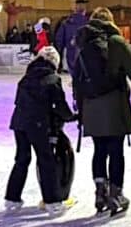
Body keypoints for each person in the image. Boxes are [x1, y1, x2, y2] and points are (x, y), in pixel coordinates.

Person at [71, 7, 131, 216]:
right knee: (116, 151)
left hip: (92, 105)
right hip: (115, 103)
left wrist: (79, 107)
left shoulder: (83, 45)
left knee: (99, 150)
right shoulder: (116, 42)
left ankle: (100, 192)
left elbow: (77, 80)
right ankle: (116, 193)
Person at [5, 46, 77, 215]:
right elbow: (59, 105)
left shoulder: (26, 78)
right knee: (46, 161)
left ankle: (12, 199)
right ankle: (53, 202)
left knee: (21, 159)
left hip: (19, 123)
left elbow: (20, 102)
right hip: (37, 125)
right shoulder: (52, 79)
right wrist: (71, 117)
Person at [55, 0, 90, 74]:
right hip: (86, 54)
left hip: (70, 53)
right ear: (84, 10)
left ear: (75, 9)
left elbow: (59, 40)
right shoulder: (89, 23)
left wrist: (59, 51)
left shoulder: (66, 22)